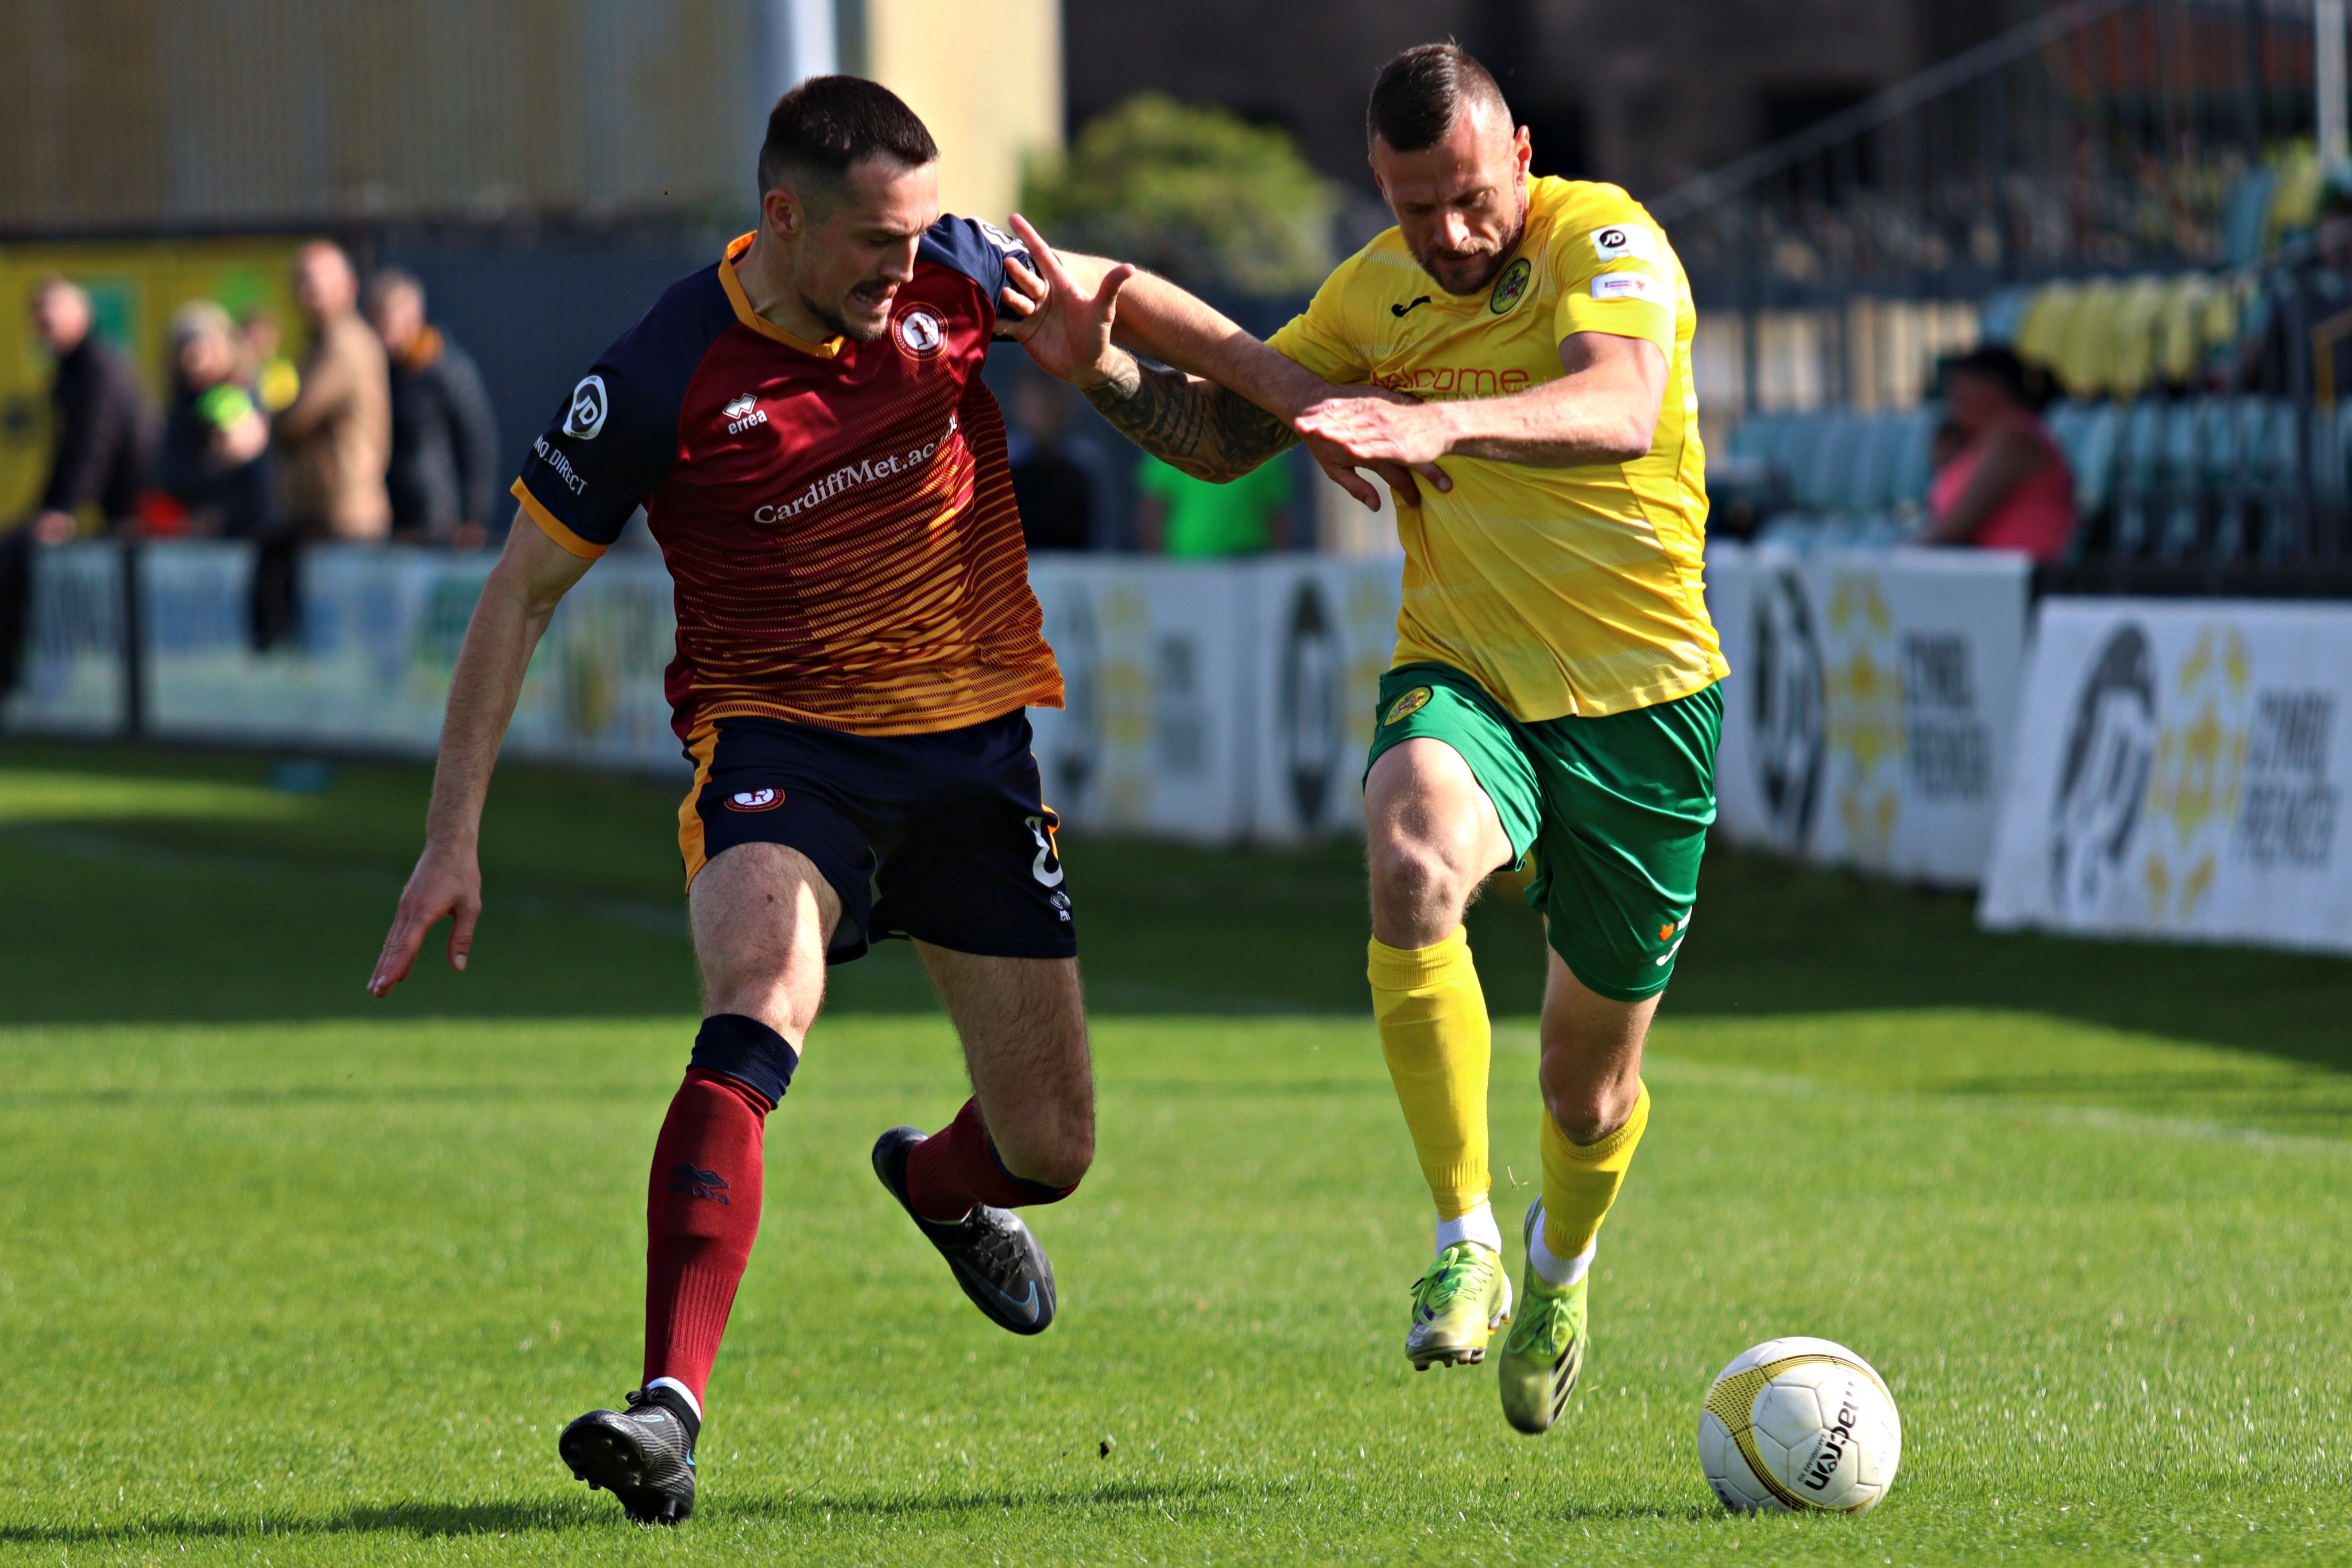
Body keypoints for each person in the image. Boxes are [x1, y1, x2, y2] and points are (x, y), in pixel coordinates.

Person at [365, 76, 1085, 1527]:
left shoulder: (958, 272)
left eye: (916, 232)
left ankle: (943, 1189)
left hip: (967, 753)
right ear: (782, 219)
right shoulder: (659, 371)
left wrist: (1294, 400)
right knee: (762, 993)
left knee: (1050, 1151)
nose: (911, 261)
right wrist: (453, 838)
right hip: (782, 742)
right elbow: (518, 596)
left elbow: (1144, 324)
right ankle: (667, 1409)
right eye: (877, 240)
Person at [1012, 41, 1723, 1437]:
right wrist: (1099, 363)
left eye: (1469, 198)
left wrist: (1430, 421)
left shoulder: (1607, 234)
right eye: (1413, 209)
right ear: (1378, 193)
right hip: (1465, 675)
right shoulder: (1371, 295)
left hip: (1645, 705)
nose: (1449, 236)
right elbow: (1232, 431)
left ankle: (1558, 1269)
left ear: (1518, 153)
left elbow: (1618, 404)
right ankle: (1462, 1234)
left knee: (1588, 1094)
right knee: (1407, 848)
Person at [365, 269, 501, 547]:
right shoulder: (381, 372)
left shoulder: (449, 370)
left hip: (435, 522)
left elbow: (478, 444)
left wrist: (475, 518)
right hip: (390, 519)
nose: (380, 331)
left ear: (413, 317)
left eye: (386, 320)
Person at [273, 241, 392, 540]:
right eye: (302, 279)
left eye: (318, 278)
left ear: (349, 285)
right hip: (329, 513)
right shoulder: (323, 342)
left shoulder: (344, 343)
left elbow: (295, 420)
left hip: (345, 516)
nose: (308, 289)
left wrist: (261, 422)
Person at [26, 276, 152, 543]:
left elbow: (94, 441)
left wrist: (61, 509)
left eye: (54, 307)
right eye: (39, 309)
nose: (45, 317)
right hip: (123, 505)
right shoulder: (73, 368)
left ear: (84, 313)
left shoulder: (96, 368)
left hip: (140, 507)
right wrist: (50, 507)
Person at [1923, 345, 2075, 562]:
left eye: (1960, 388)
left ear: (1994, 388)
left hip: (2018, 580)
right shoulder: (1982, 441)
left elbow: (1955, 529)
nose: (1952, 400)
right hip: (1986, 573)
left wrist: (1894, 555)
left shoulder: (2014, 439)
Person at [154, 301, 278, 538]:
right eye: (184, 348)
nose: (191, 357)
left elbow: (242, 451)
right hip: (195, 527)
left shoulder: (236, 394)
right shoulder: (186, 401)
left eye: (199, 347)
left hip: (241, 529)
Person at [1135, 446, 1297, 555]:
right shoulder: (1172, 443)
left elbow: (1276, 512)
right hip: (1189, 561)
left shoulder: (1263, 447)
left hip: (1251, 558)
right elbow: (1154, 504)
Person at [1004, 371, 1097, 551]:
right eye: (1036, 403)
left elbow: (1096, 536)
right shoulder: (999, 464)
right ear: (1018, 405)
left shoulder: (1083, 467)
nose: (1043, 412)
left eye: (1050, 403)